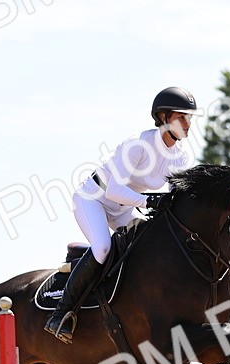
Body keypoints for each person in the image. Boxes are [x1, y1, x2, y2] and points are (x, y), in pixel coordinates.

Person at [44, 86, 199, 343]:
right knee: (103, 247)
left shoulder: (180, 157)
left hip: (124, 208)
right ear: (163, 117)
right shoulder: (139, 144)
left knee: (149, 250)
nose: (187, 123)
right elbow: (115, 189)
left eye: (189, 118)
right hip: (93, 199)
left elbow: (175, 198)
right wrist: (149, 202)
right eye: (181, 117)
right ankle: (61, 314)